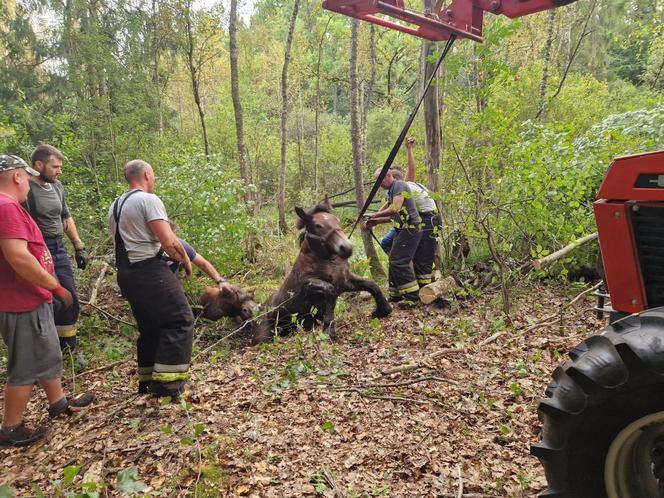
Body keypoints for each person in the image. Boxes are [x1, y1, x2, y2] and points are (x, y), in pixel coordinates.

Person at [0, 155, 93, 448]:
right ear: (17, 177)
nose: (29, 182)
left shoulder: (11, 207)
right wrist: (56, 287)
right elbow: (18, 257)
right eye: (26, 177)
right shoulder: (6, 207)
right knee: (26, 364)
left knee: (47, 351)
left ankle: (58, 402)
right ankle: (10, 428)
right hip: (21, 301)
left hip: (32, 297)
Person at [108, 160, 194, 398]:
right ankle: (168, 386)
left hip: (126, 274)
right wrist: (185, 262)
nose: (153, 179)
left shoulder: (115, 205)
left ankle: (147, 381)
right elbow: (168, 241)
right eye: (153, 175)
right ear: (147, 174)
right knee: (180, 320)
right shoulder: (148, 200)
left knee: (150, 327)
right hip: (148, 270)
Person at [24, 144, 88, 352]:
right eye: (55, 166)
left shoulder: (57, 187)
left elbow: (66, 217)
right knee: (50, 298)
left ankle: (67, 347)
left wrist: (78, 245)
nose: (59, 170)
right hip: (38, 248)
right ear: (39, 165)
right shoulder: (26, 190)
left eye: (60, 166)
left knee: (69, 295)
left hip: (58, 247)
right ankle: (45, 347)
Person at [363, 169, 422, 303]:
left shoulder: (399, 184)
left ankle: (412, 296)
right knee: (394, 260)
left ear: (389, 176)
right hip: (403, 229)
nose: (378, 185)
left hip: (411, 228)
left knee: (398, 260)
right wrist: (376, 221)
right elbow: (393, 216)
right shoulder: (392, 190)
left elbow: (395, 208)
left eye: (380, 181)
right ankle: (395, 295)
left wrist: (373, 215)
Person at [403, 137, 442, 286]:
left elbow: (411, 169)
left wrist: (376, 218)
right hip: (425, 220)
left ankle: (423, 283)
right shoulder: (404, 187)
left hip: (429, 219)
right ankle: (414, 276)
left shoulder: (404, 186)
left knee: (424, 252)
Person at [164, 222, 235, 293]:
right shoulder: (153, 249)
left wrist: (220, 281)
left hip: (172, 287)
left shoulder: (181, 246)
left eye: (174, 234)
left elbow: (203, 264)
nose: (174, 238)